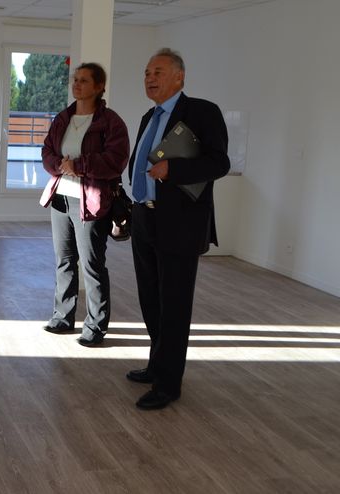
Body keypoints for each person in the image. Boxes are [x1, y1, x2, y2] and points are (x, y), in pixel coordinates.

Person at [127, 48, 230, 410]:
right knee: (151, 300)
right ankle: (158, 365)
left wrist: (174, 171)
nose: (149, 78)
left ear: (179, 77)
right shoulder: (148, 116)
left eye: (157, 71)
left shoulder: (202, 112)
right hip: (145, 218)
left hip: (180, 225)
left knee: (174, 305)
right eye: (146, 72)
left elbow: (220, 162)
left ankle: (169, 384)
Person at [39, 62, 130, 347]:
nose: (76, 84)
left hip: (91, 200)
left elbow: (116, 160)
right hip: (60, 198)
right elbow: (47, 151)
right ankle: (63, 317)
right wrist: (59, 165)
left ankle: (95, 326)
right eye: (75, 79)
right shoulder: (63, 118)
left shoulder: (110, 122)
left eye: (84, 80)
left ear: (99, 86)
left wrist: (79, 166)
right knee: (64, 260)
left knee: (92, 264)